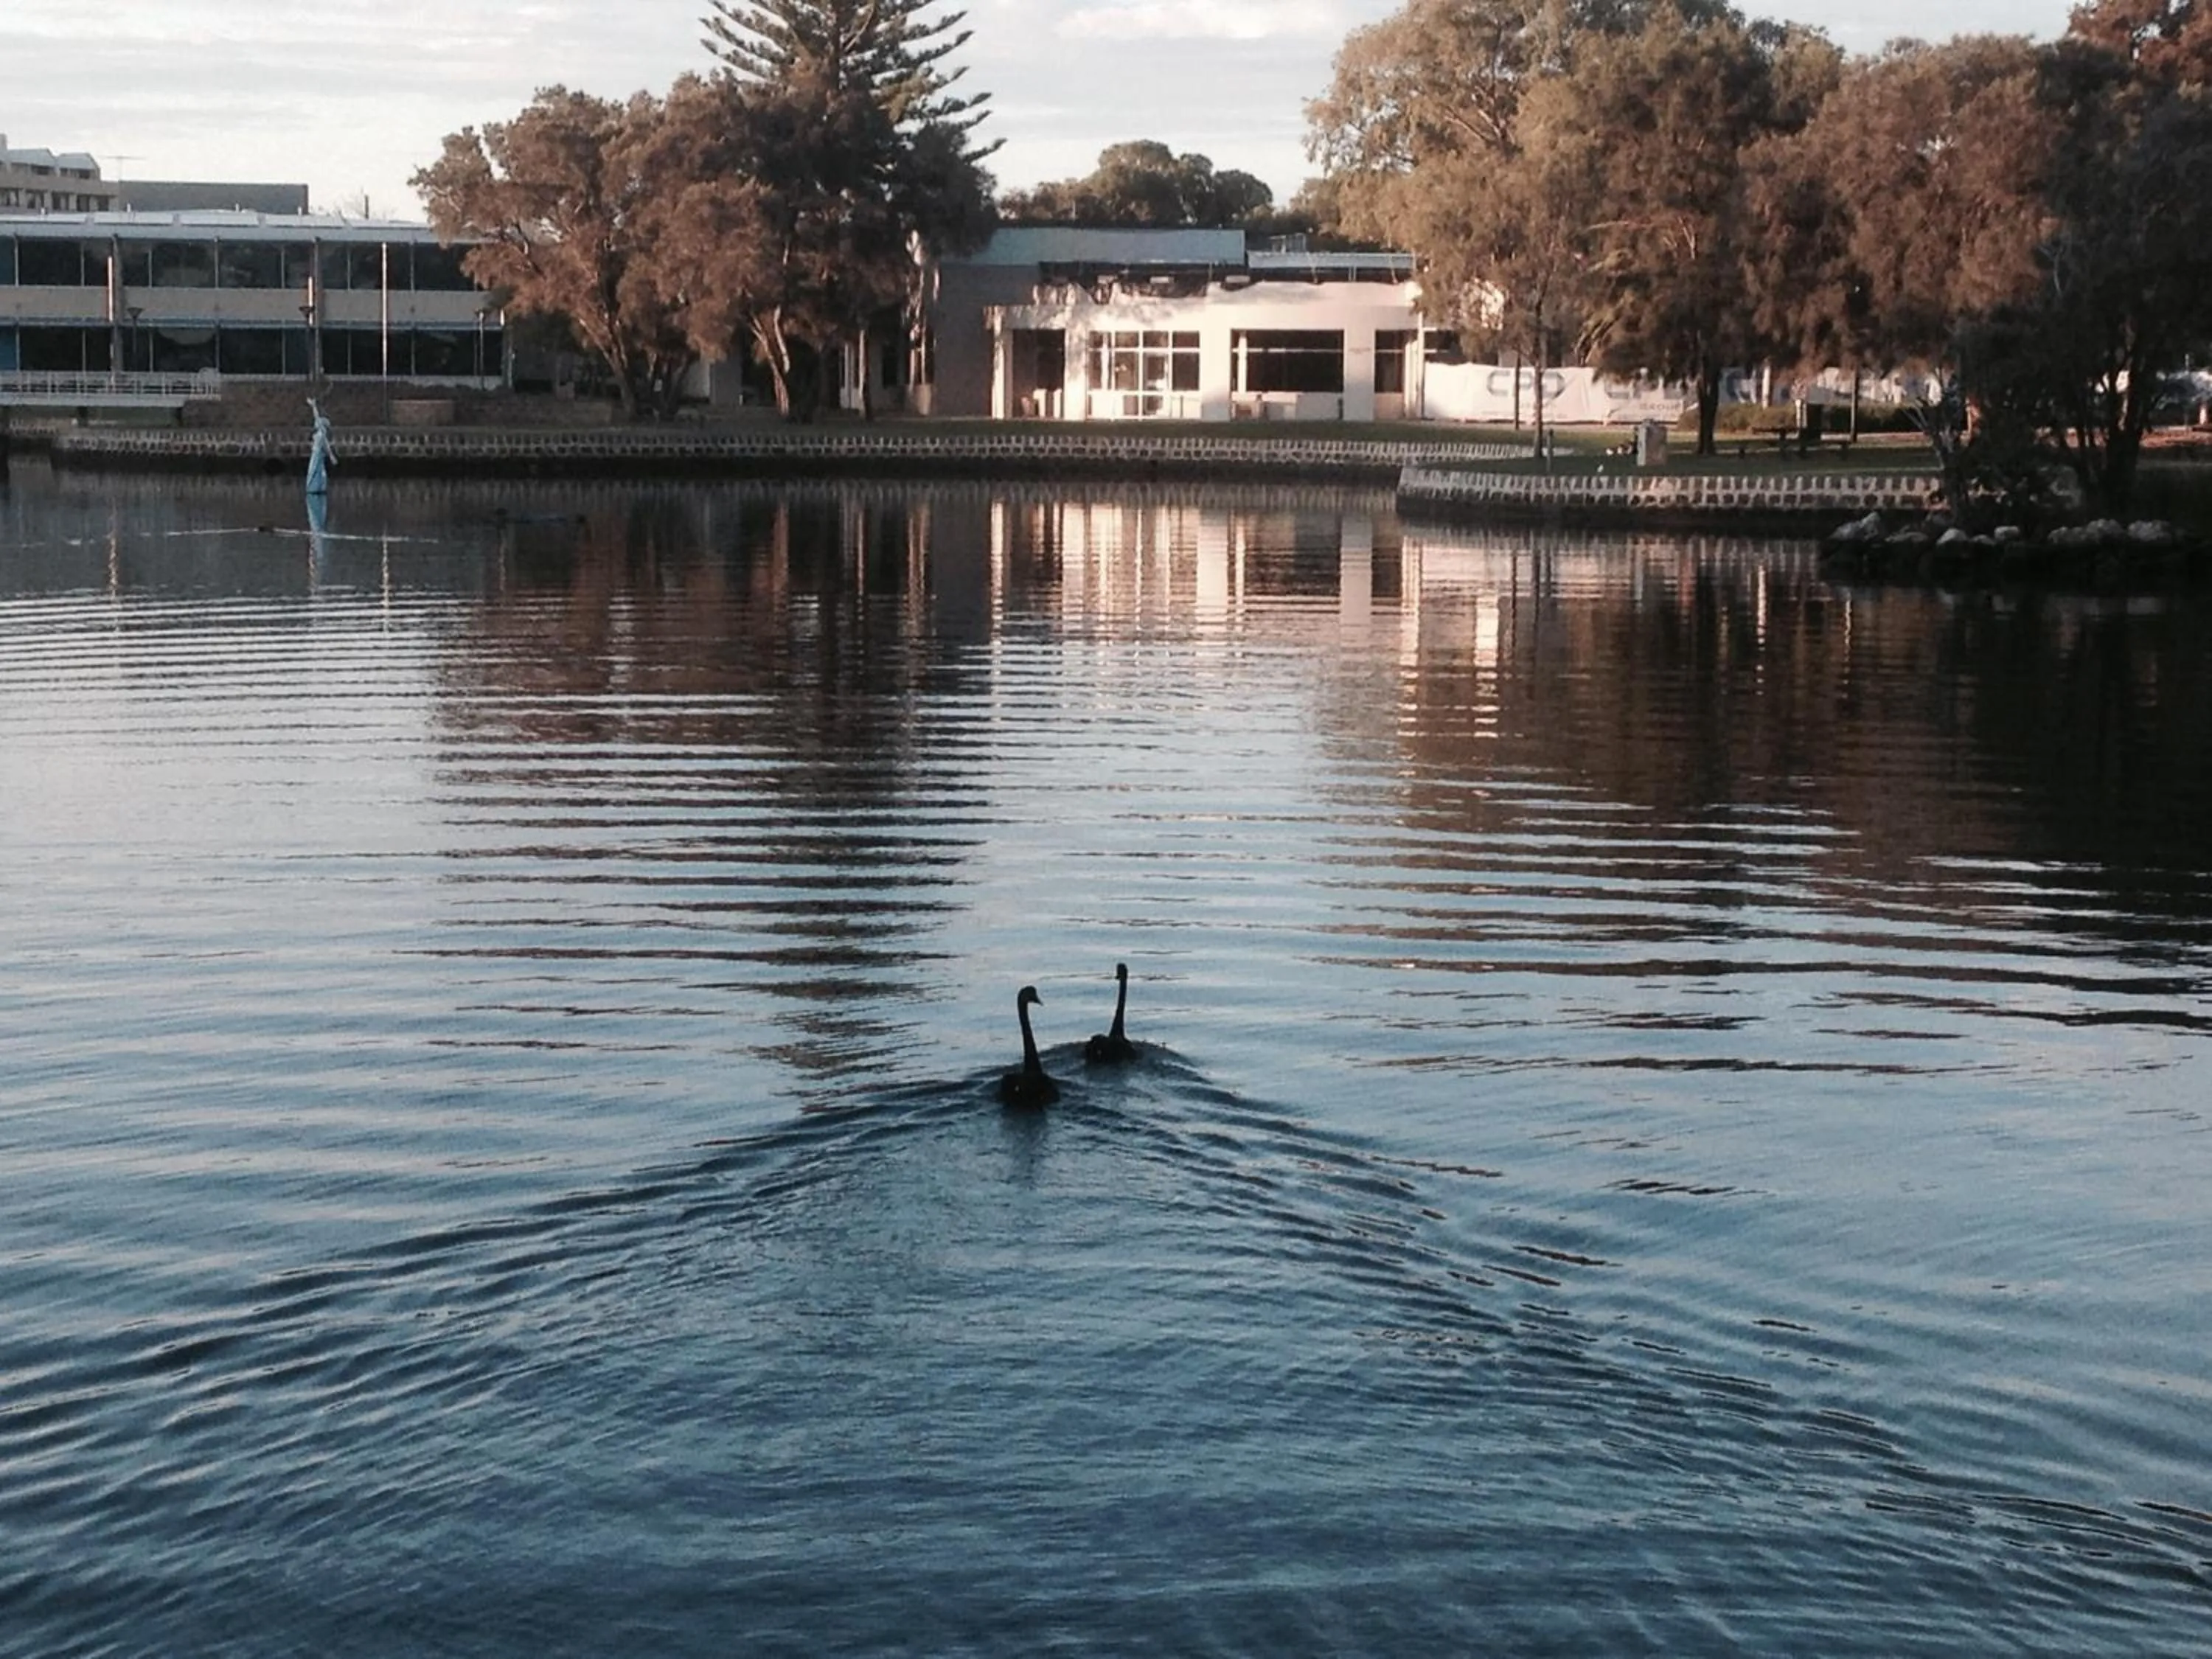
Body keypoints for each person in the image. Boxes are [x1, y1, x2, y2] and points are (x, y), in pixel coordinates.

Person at [306, 399, 335, 495]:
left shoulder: (321, 433)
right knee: (317, 472)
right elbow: (326, 445)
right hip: (317, 455)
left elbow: (317, 417)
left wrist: (314, 406)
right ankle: (316, 487)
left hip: (317, 456)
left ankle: (315, 487)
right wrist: (331, 456)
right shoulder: (320, 434)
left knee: (315, 472)